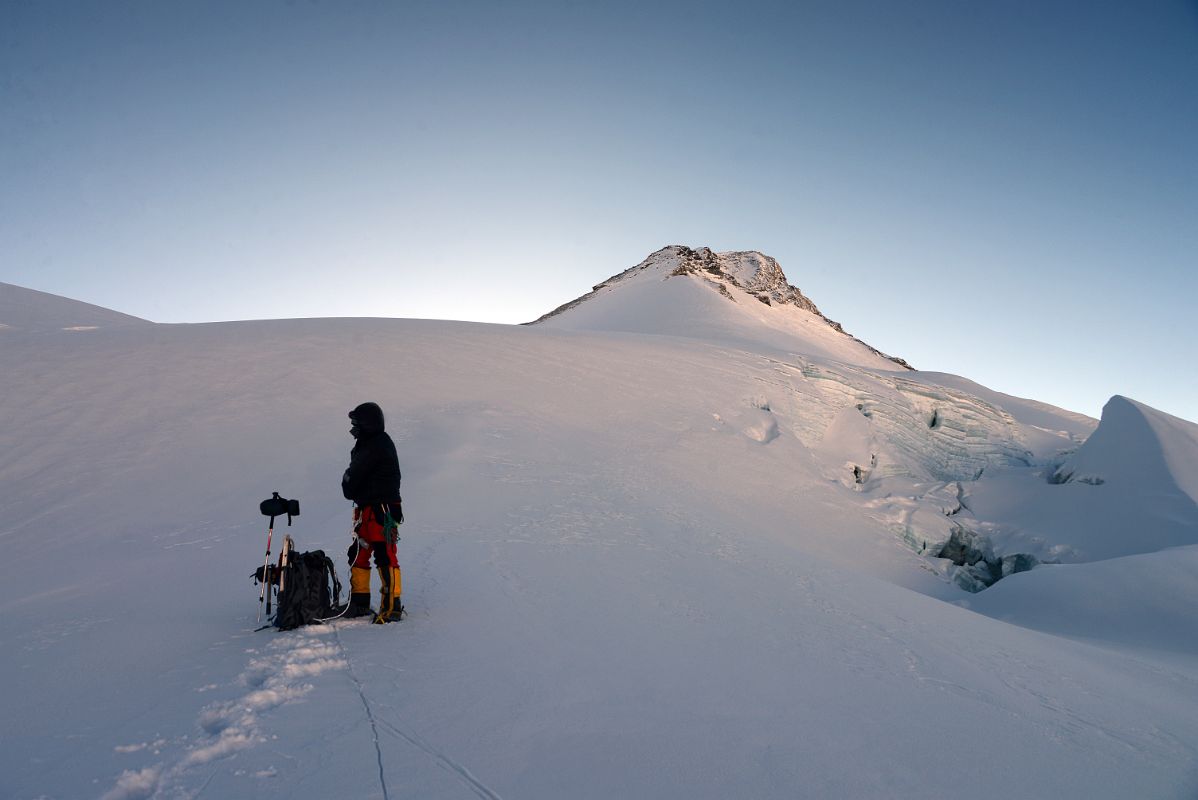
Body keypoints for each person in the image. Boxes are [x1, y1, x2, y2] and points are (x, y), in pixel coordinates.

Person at [341, 402, 404, 623]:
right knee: (358, 553)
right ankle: (359, 602)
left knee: (385, 554)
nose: (353, 427)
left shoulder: (375, 445)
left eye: (356, 423)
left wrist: (349, 481)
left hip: (381, 511)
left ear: (367, 424)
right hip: (367, 509)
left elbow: (351, 481)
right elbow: (352, 482)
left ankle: (392, 607)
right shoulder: (369, 443)